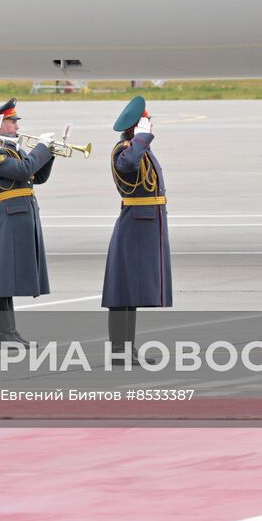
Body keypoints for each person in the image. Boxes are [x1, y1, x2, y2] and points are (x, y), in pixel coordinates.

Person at [0, 99, 55, 346]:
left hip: (23, 212)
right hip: (10, 214)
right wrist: (40, 149)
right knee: (1, 277)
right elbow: (24, 171)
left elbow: (37, 176)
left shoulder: (14, 150)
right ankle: (4, 334)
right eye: (11, 122)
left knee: (7, 277)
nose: (16, 126)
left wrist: (49, 153)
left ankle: (9, 332)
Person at [102, 97, 173, 358]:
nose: (151, 125)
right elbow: (128, 165)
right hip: (135, 224)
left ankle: (126, 347)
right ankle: (119, 349)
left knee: (129, 290)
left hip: (147, 223)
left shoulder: (138, 148)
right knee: (123, 289)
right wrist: (142, 139)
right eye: (146, 121)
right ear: (137, 126)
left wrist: (141, 142)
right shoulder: (124, 150)